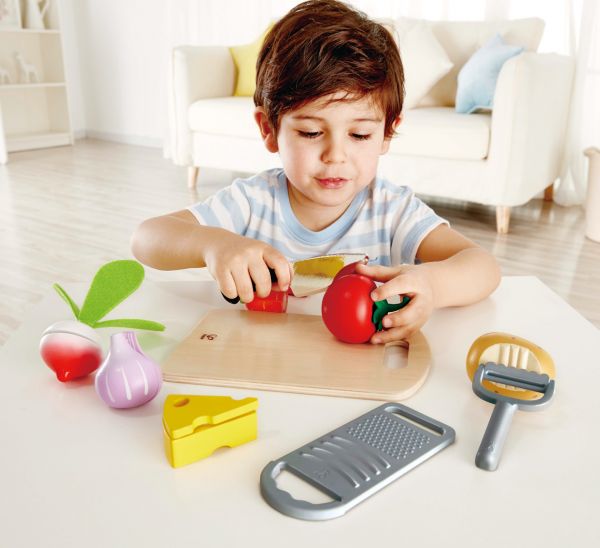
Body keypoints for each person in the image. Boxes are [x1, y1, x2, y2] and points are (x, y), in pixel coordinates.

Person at [131, 0, 500, 344]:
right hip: (263, 365)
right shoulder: (252, 202)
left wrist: (432, 285)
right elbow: (147, 238)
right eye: (310, 133)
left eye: (360, 135)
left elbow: (484, 267)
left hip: (363, 373)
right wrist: (213, 245)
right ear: (269, 130)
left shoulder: (393, 210)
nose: (335, 156)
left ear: (387, 133)